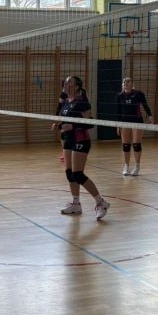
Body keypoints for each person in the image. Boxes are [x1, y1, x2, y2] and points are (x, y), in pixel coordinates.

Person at [51, 76, 110, 220]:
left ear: (77, 86)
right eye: (65, 82)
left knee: (78, 174)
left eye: (69, 82)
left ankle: (101, 202)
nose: (66, 83)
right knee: (69, 174)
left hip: (80, 139)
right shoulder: (66, 101)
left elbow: (90, 123)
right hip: (68, 139)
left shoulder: (82, 102)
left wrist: (72, 126)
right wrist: (58, 125)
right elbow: (65, 119)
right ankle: (76, 204)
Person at [116, 78, 154, 176]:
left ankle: (137, 166)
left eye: (128, 81)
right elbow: (118, 111)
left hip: (137, 121)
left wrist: (150, 116)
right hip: (124, 122)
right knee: (126, 145)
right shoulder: (119, 95)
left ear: (132, 84)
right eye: (124, 82)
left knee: (136, 144)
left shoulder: (138, 94)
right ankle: (126, 166)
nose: (125, 83)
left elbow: (145, 105)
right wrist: (117, 125)